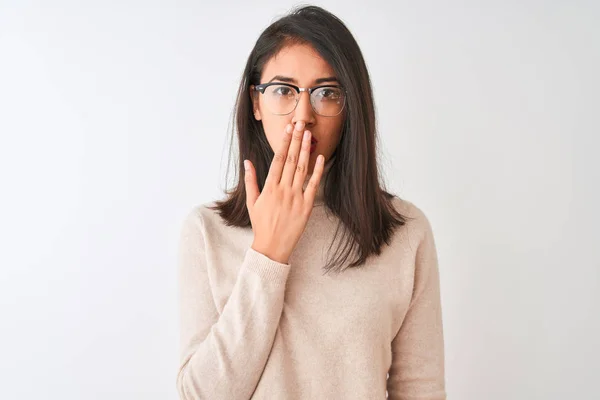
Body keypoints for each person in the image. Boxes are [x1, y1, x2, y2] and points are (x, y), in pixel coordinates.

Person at [176, 5, 446, 400]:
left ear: (350, 105)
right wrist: (268, 253)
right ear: (255, 102)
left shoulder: (406, 232)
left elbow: (420, 391)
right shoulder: (206, 232)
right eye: (284, 90)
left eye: (326, 93)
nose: (303, 115)